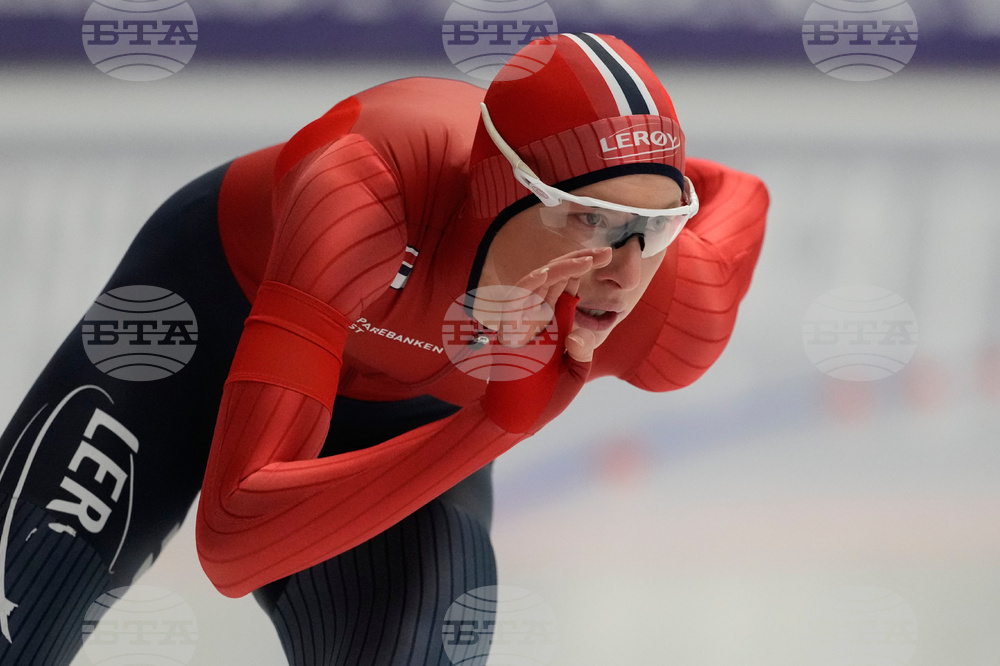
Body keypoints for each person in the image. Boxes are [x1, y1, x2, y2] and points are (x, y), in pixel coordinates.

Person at [0, 32, 768, 665]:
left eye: (657, 227)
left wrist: (625, 198)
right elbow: (236, 543)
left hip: (398, 418)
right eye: (588, 219)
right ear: (499, 184)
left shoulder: (667, 311)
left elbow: (744, 195)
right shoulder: (364, 192)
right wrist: (502, 420)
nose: (623, 270)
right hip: (204, 320)